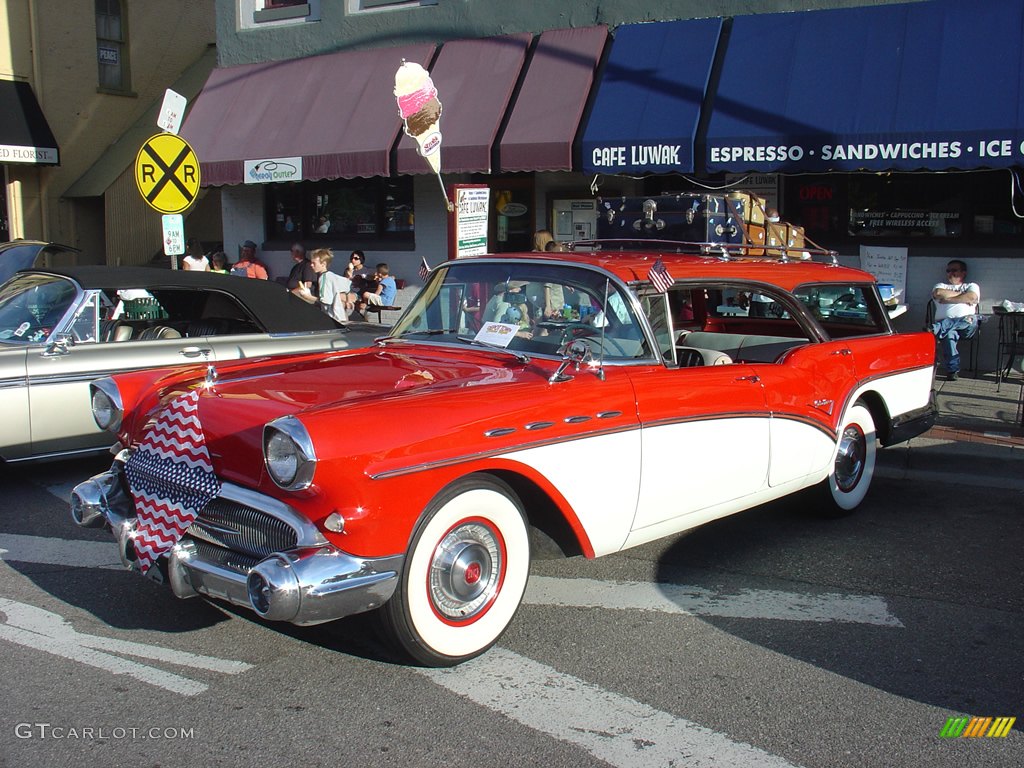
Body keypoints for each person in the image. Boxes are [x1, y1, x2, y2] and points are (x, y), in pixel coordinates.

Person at [930, 259, 980, 381]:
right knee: (948, 334)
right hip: (950, 328)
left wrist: (948, 299)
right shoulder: (940, 285)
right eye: (948, 271)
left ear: (963, 273)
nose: (950, 273)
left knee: (968, 319)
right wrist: (961, 298)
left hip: (967, 325)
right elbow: (938, 293)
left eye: (954, 270)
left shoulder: (971, 286)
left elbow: (972, 296)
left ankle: (938, 328)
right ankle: (952, 371)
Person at [295, 248, 351, 324]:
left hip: (333, 320)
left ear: (323, 264)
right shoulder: (333, 276)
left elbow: (325, 302)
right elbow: (348, 285)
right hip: (342, 318)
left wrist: (307, 296)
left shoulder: (324, 278)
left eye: (314, 263)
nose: (311, 265)